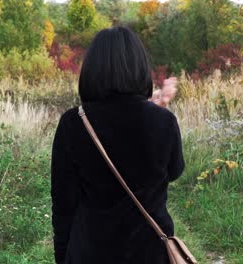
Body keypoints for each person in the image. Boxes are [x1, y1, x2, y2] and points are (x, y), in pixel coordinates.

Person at [50, 26, 185, 264]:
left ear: (92, 70)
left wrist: (62, 255)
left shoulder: (73, 123)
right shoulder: (163, 121)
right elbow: (174, 172)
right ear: (139, 67)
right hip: (149, 253)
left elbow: (63, 203)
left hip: (90, 253)